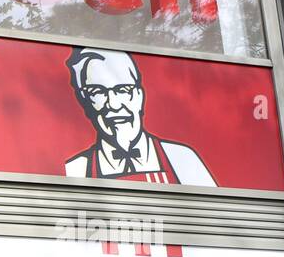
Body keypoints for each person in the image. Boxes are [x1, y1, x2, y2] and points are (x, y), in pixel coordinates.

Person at [64, 47, 216, 186]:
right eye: (97, 92)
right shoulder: (77, 169)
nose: (114, 104)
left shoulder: (180, 158)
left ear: (139, 96)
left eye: (123, 89)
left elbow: (214, 212)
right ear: (84, 101)